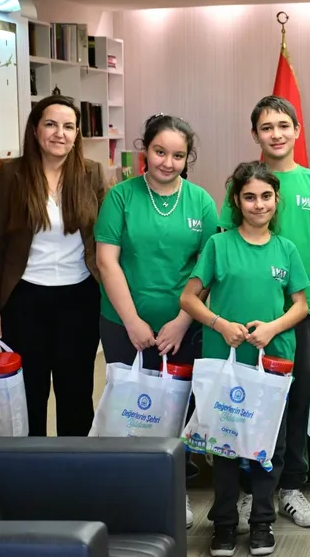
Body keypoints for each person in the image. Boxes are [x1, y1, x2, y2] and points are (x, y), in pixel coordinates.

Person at [219, 95, 310, 529]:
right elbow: (225, 245)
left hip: (299, 315)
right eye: (267, 127)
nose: (276, 134)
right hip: (248, 319)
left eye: (283, 126)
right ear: (255, 134)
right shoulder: (246, 182)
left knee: (295, 400)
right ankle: (252, 492)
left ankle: (291, 487)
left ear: (297, 131)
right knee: (249, 404)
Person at [94, 114, 219, 529]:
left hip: (182, 328)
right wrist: (131, 321)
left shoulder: (201, 201)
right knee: (129, 413)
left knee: (173, 414)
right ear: (145, 150)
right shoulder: (121, 197)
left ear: (188, 158)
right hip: (122, 324)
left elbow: (207, 268)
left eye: (178, 155)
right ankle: (126, 495)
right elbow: (107, 261)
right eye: (160, 152)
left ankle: (172, 492)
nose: (168, 162)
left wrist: (183, 321)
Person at [181, 161, 310, 557]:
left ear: (276, 199)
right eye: (250, 197)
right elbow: (188, 299)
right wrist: (220, 324)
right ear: (236, 201)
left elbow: (300, 305)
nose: (259, 204)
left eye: (266, 196)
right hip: (226, 363)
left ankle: (261, 522)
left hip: (272, 365)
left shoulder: (286, 249)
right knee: (224, 446)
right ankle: (223, 523)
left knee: (268, 448)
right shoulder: (218, 246)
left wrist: (272, 328)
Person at [0, 94, 106, 437]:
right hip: (24, 300)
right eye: (50, 124)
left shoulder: (92, 173)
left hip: (80, 298)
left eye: (68, 126)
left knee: (76, 394)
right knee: (28, 395)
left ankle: (74, 466)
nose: (59, 133)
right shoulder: (12, 175)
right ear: (35, 130)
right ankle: (30, 467)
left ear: (77, 134)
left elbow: (108, 238)